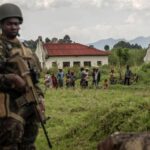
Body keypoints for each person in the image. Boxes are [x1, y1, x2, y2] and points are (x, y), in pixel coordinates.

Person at [0, 3, 45, 150]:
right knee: (9, 143)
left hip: (29, 105)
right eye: (9, 24)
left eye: (16, 24)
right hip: (7, 107)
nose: (13, 27)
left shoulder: (26, 50)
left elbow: (35, 80)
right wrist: (11, 79)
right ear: (2, 24)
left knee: (28, 143)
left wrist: (40, 97)